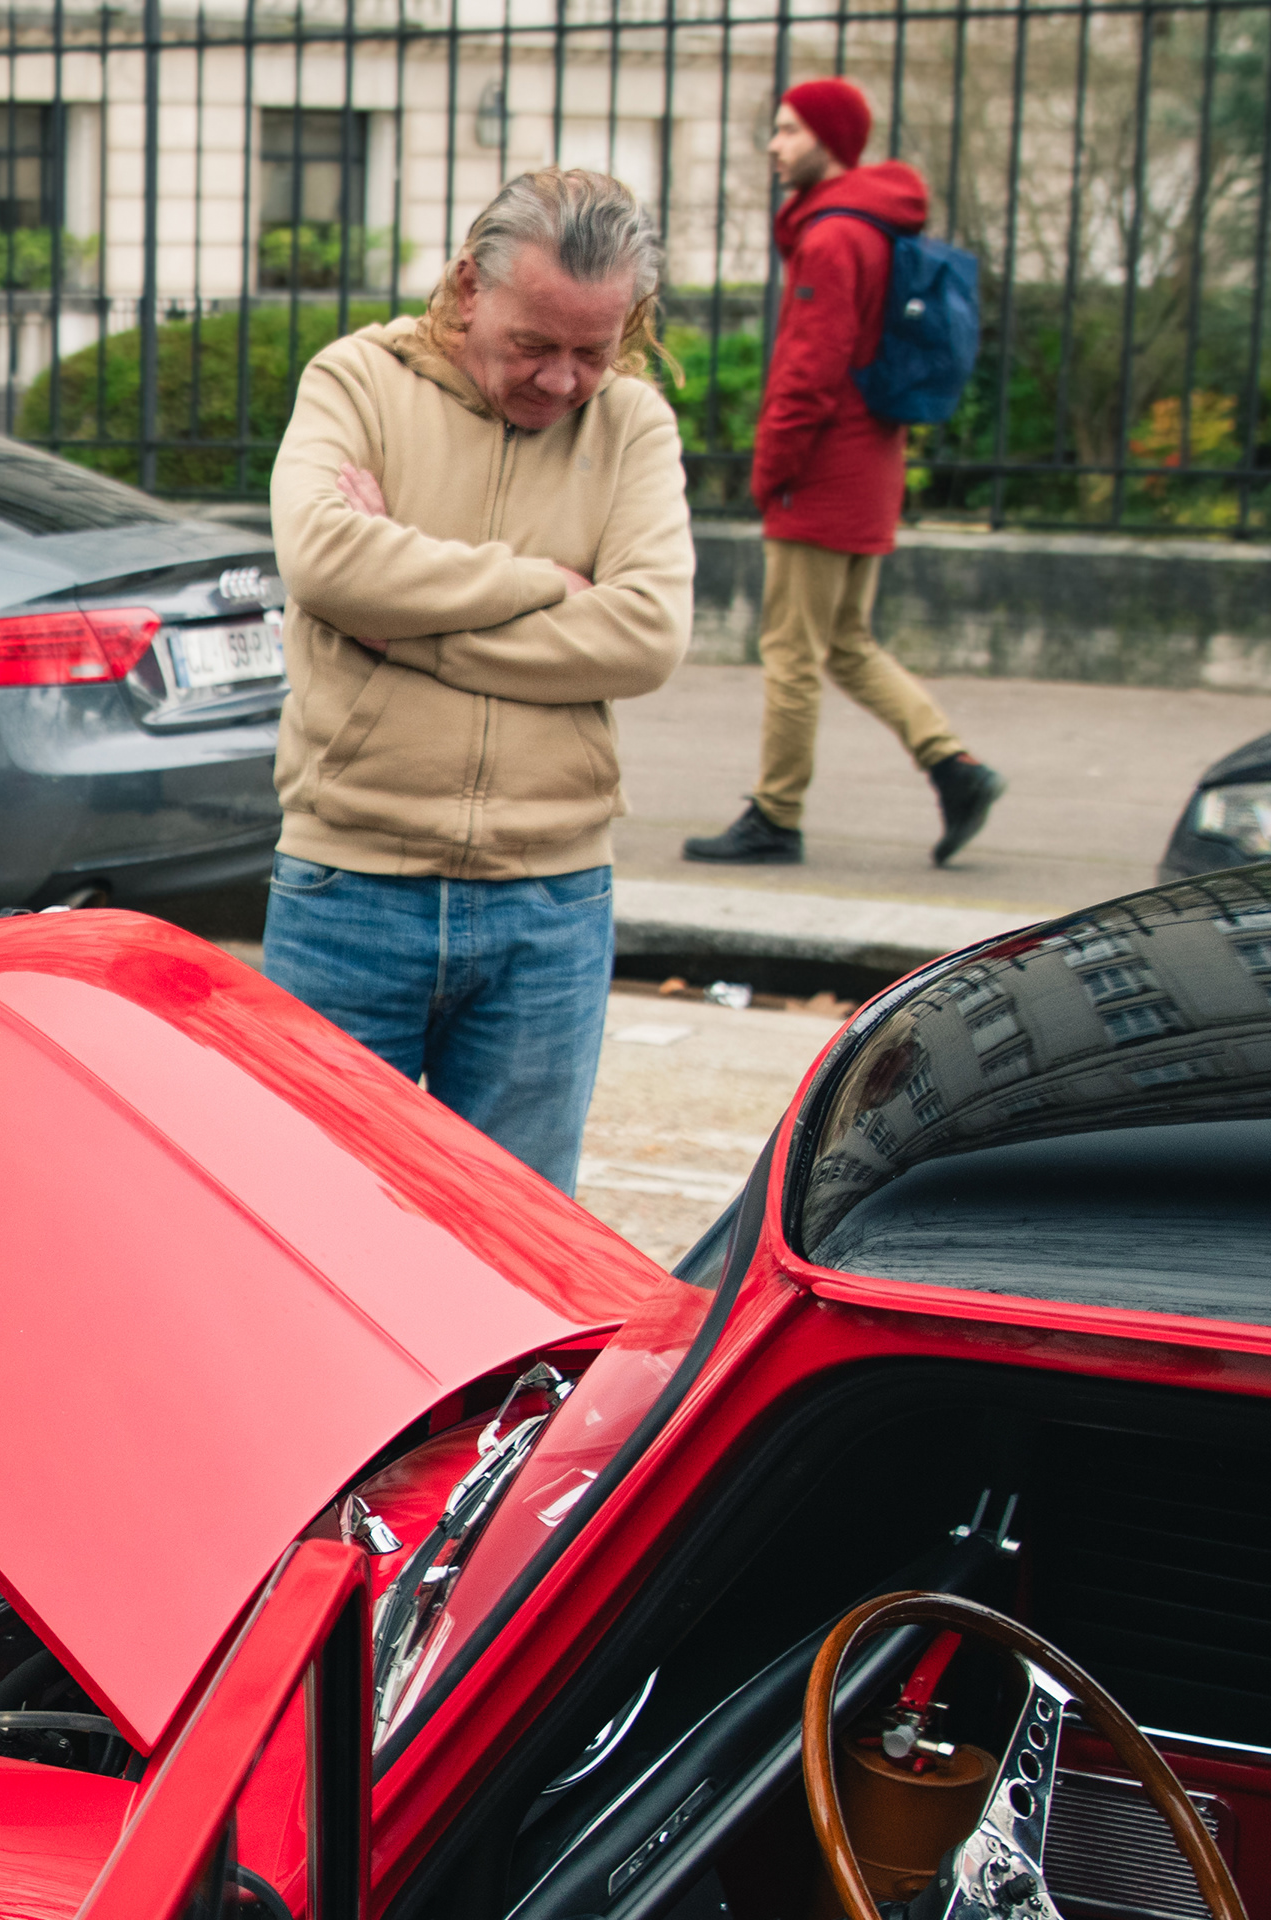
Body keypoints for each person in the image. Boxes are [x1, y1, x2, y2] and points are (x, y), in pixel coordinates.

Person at [264, 167, 695, 1197]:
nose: (562, 381)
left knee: (516, 1248)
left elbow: (644, 634)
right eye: (534, 344)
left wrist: (405, 626)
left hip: (549, 898)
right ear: (469, 288)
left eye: (594, 350)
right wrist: (540, 585)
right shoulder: (355, 381)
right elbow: (324, 562)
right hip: (348, 884)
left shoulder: (633, 424)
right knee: (305, 1220)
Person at [684, 79, 1007, 870]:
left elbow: (809, 370)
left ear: (831, 140)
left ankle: (775, 814)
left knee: (792, 652)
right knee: (847, 643)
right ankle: (955, 768)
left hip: (825, 469)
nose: (775, 144)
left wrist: (771, 470)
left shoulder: (832, 238)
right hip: (871, 463)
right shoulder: (872, 226)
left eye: (790, 131)